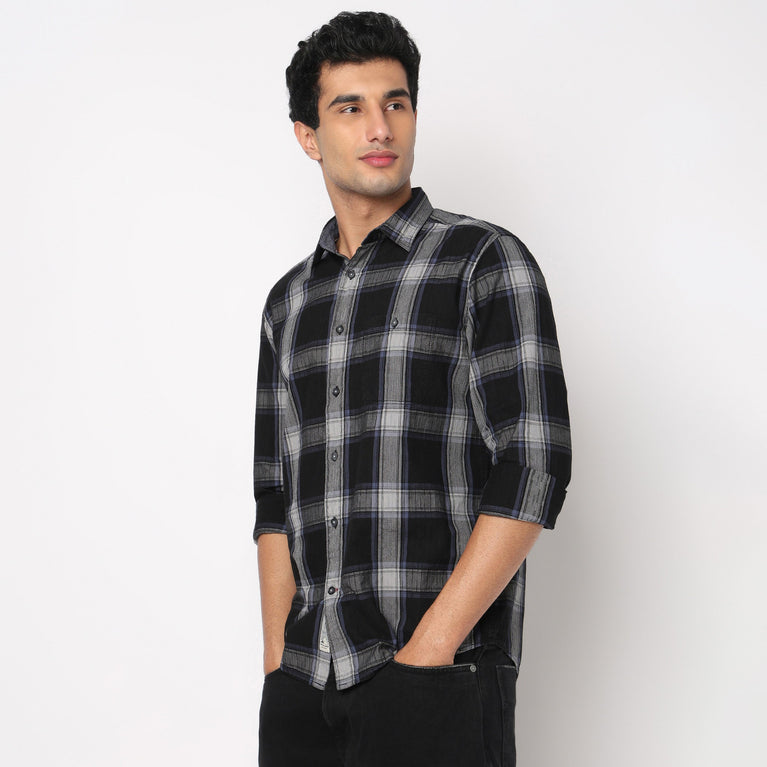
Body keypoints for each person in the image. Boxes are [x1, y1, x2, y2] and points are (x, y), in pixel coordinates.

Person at [253, 11, 571, 767]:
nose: (379, 127)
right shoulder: (287, 303)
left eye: (395, 102)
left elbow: (533, 467)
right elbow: (274, 496)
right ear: (307, 136)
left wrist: (428, 652)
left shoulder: (483, 261)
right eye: (350, 107)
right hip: (303, 686)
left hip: (437, 680)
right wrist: (277, 666)